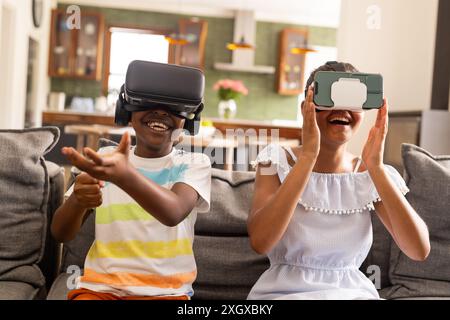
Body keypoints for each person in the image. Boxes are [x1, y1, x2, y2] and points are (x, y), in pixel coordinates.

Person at [247, 61, 430, 300]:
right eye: (330, 99)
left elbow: (418, 250)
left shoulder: (369, 173)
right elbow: (261, 241)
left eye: (352, 101)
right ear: (307, 108)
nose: (341, 110)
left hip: (352, 293)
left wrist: (375, 167)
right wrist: (308, 158)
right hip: (285, 292)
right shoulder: (276, 161)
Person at [51, 106, 211, 300]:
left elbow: (173, 212)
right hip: (100, 291)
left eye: (173, 107)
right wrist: (78, 199)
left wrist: (124, 175)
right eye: (149, 103)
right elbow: (60, 233)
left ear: (188, 120)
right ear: (126, 112)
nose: (161, 113)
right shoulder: (105, 158)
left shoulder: (194, 163)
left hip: (167, 293)